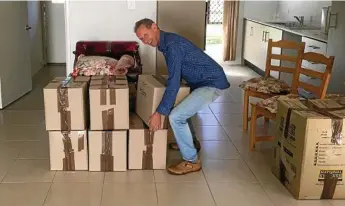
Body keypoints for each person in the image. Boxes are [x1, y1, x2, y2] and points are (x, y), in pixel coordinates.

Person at [134, 18, 230, 175]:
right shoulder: (165, 44)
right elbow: (175, 75)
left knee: (176, 116)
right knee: (182, 107)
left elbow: (174, 81)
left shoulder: (171, 45)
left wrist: (160, 112)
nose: (144, 41)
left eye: (145, 35)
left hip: (212, 83)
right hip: (202, 82)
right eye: (141, 39)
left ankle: (191, 161)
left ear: (154, 27)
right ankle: (191, 142)